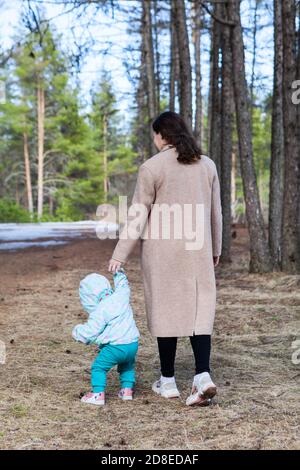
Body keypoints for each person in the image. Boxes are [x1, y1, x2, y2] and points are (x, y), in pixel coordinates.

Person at [108, 111, 222, 407]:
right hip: (198, 250)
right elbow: (216, 213)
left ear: (162, 135)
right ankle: (202, 375)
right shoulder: (207, 165)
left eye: (154, 134)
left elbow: (137, 214)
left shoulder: (152, 167)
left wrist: (120, 254)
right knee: (200, 311)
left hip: (162, 253)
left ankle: (169, 382)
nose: (154, 139)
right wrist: (216, 249)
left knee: (165, 310)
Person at [72, 269, 139, 406]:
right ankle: (126, 391)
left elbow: (91, 330)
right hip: (132, 344)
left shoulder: (100, 310)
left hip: (115, 347)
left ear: (89, 298)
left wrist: (78, 332)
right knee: (127, 366)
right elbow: (123, 285)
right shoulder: (121, 296)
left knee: (98, 367)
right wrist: (118, 272)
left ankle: (98, 394)